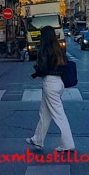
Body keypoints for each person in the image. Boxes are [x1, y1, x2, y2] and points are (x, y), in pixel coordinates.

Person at [26, 25, 75, 153]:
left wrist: (36, 71)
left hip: (50, 83)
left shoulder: (44, 49)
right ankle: (37, 139)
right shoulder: (58, 48)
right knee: (45, 113)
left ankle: (67, 144)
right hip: (59, 82)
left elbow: (43, 67)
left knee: (59, 115)